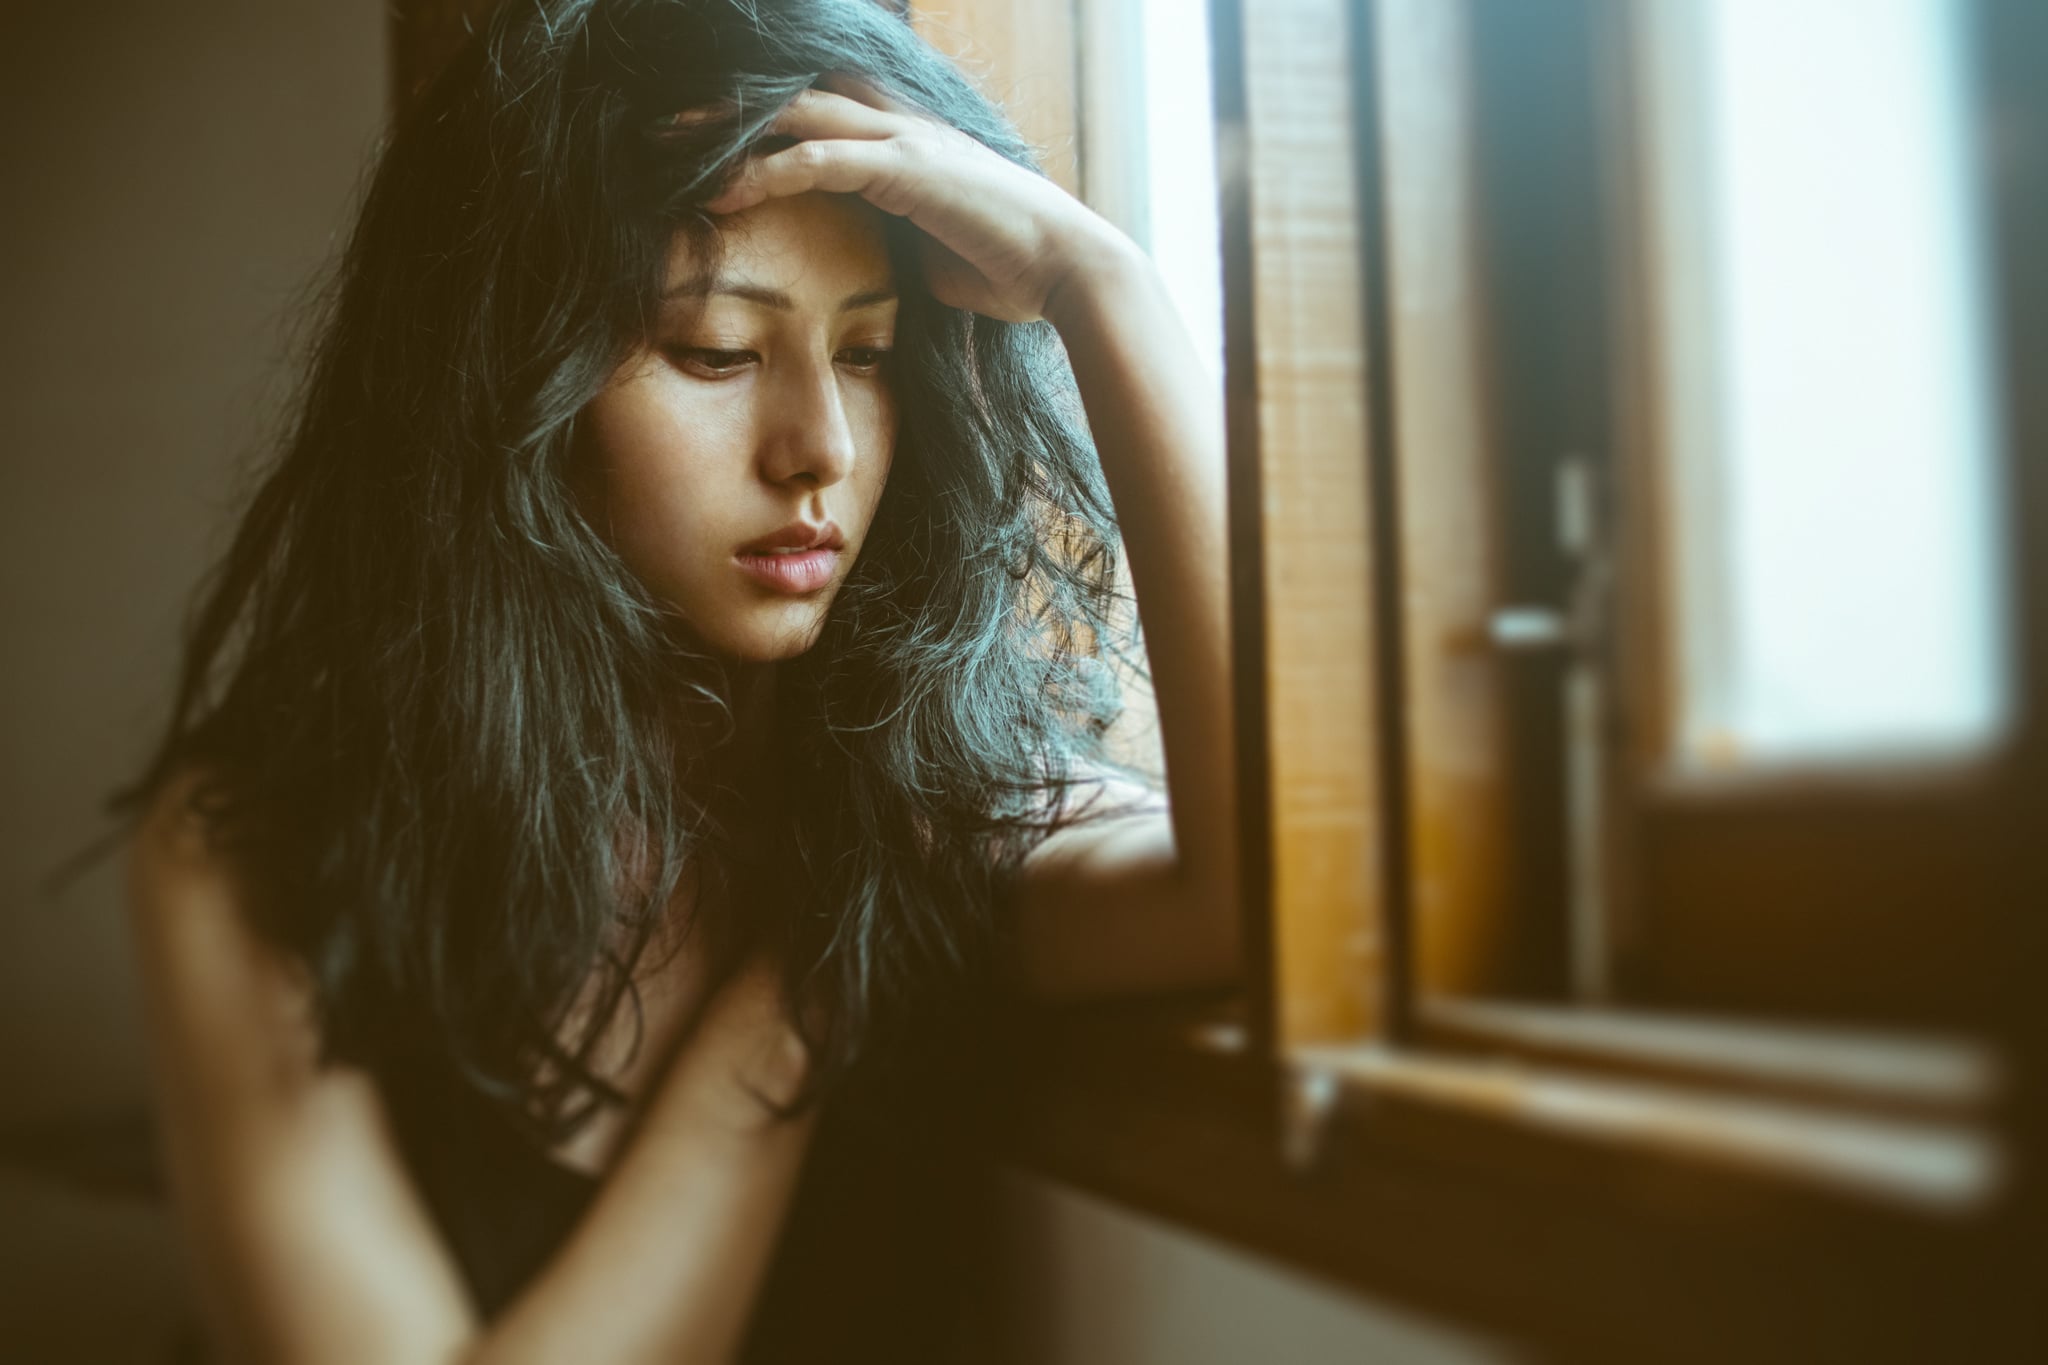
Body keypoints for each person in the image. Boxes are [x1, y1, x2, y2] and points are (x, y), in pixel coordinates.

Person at [106, 0, 1240, 1360]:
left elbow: (1273, 895)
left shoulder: (934, 801)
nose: (818, 445)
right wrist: (799, 994)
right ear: (510, 388)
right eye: (716, 350)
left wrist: (1096, 280)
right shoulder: (253, 854)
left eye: (868, 352)